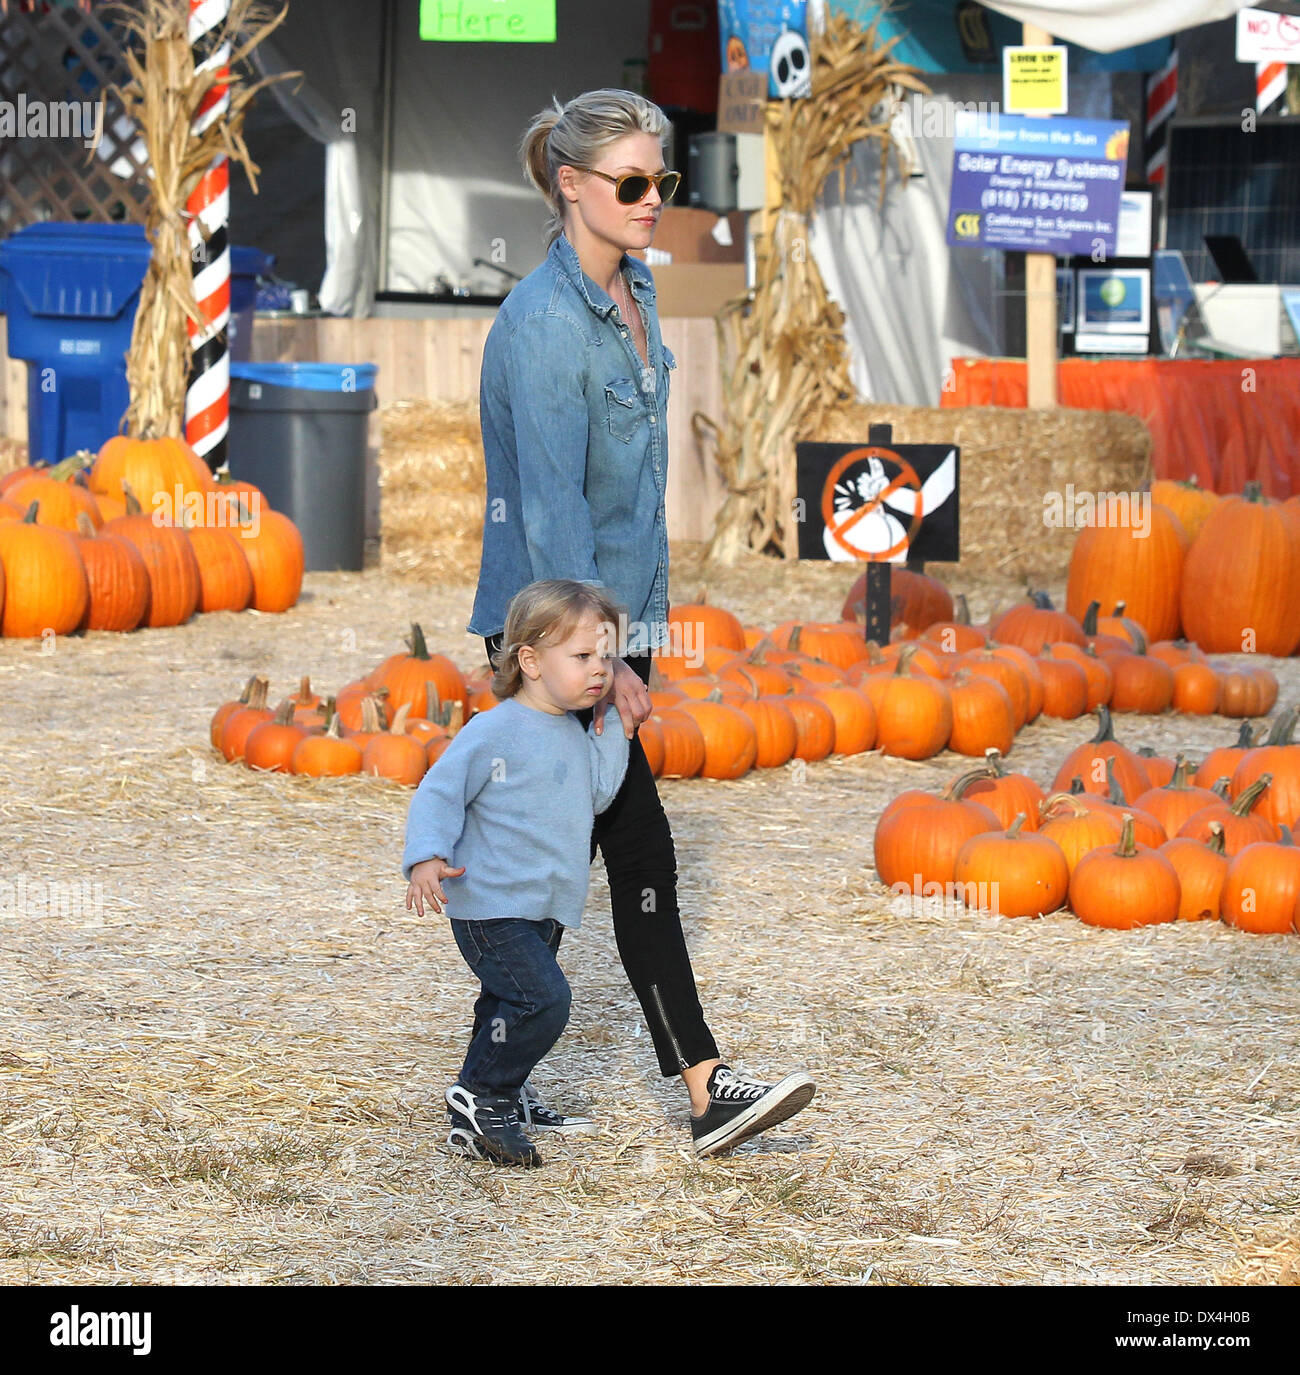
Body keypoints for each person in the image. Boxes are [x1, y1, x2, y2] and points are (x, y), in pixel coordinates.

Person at [465, 88, 815, 1157]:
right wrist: (595, 657)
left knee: (548, 871)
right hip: (557, 626)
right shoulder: (540, 325)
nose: (651, 198)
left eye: (660, 180)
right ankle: (707, 1091)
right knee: (639, 848)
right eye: (629, 182)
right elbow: (555, 508)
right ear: (570, 186)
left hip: (612, 618)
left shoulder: (638, 293)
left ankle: (489, 1084)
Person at [404, 580, 631, 1167]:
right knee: (543, 999)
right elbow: (439, 791)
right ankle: (486, 1092)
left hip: (545, 904)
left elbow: (600, 797)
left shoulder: (578, 730)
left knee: (504, 1005)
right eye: (582, 657)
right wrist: (426, 855)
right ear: (529, 660)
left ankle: (491, 1104)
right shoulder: (494, 730)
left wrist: (616, 735)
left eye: (604, 657)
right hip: (490, 903)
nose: (599, 670)